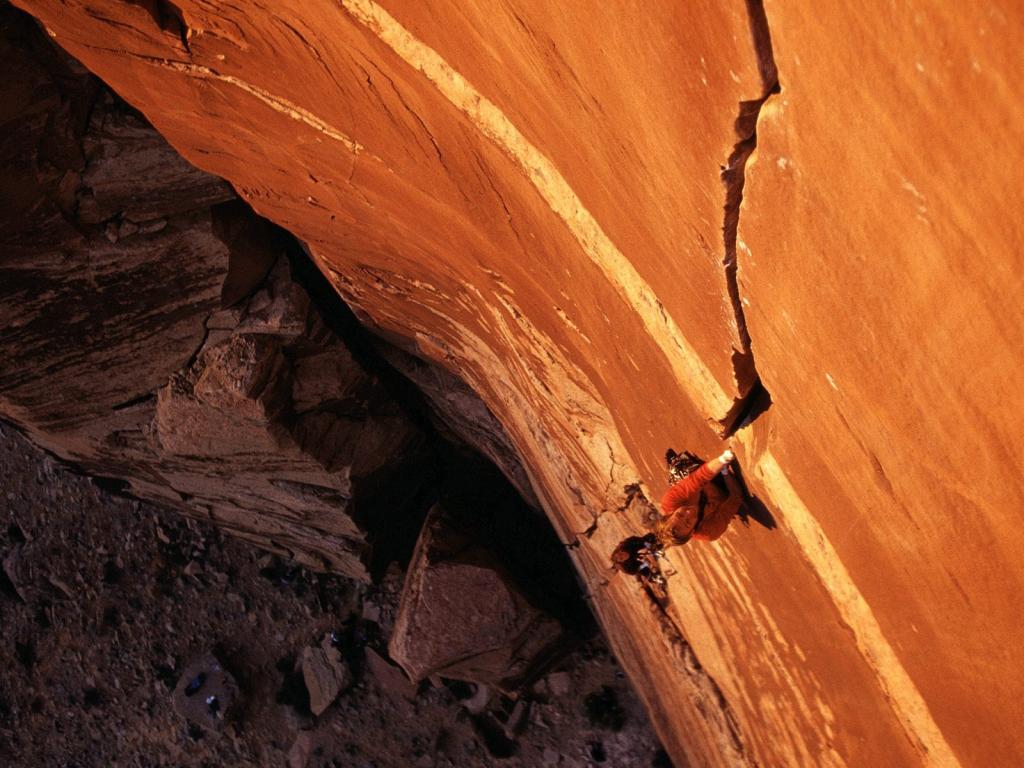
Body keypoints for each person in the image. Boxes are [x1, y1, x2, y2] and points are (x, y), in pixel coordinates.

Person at [656, 448, 743, 545]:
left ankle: (674, 463)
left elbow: (697, 478)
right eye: (688, 522)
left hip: (696, 479)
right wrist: (725, 472)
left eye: (679, 514)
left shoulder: (670, 501)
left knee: (681, 471)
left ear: (670, 514)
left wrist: (723, 459)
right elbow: (736, 498)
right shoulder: (710, 532)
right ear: (691, 532)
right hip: (720, 494)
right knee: (722, 495)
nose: (689, 512)